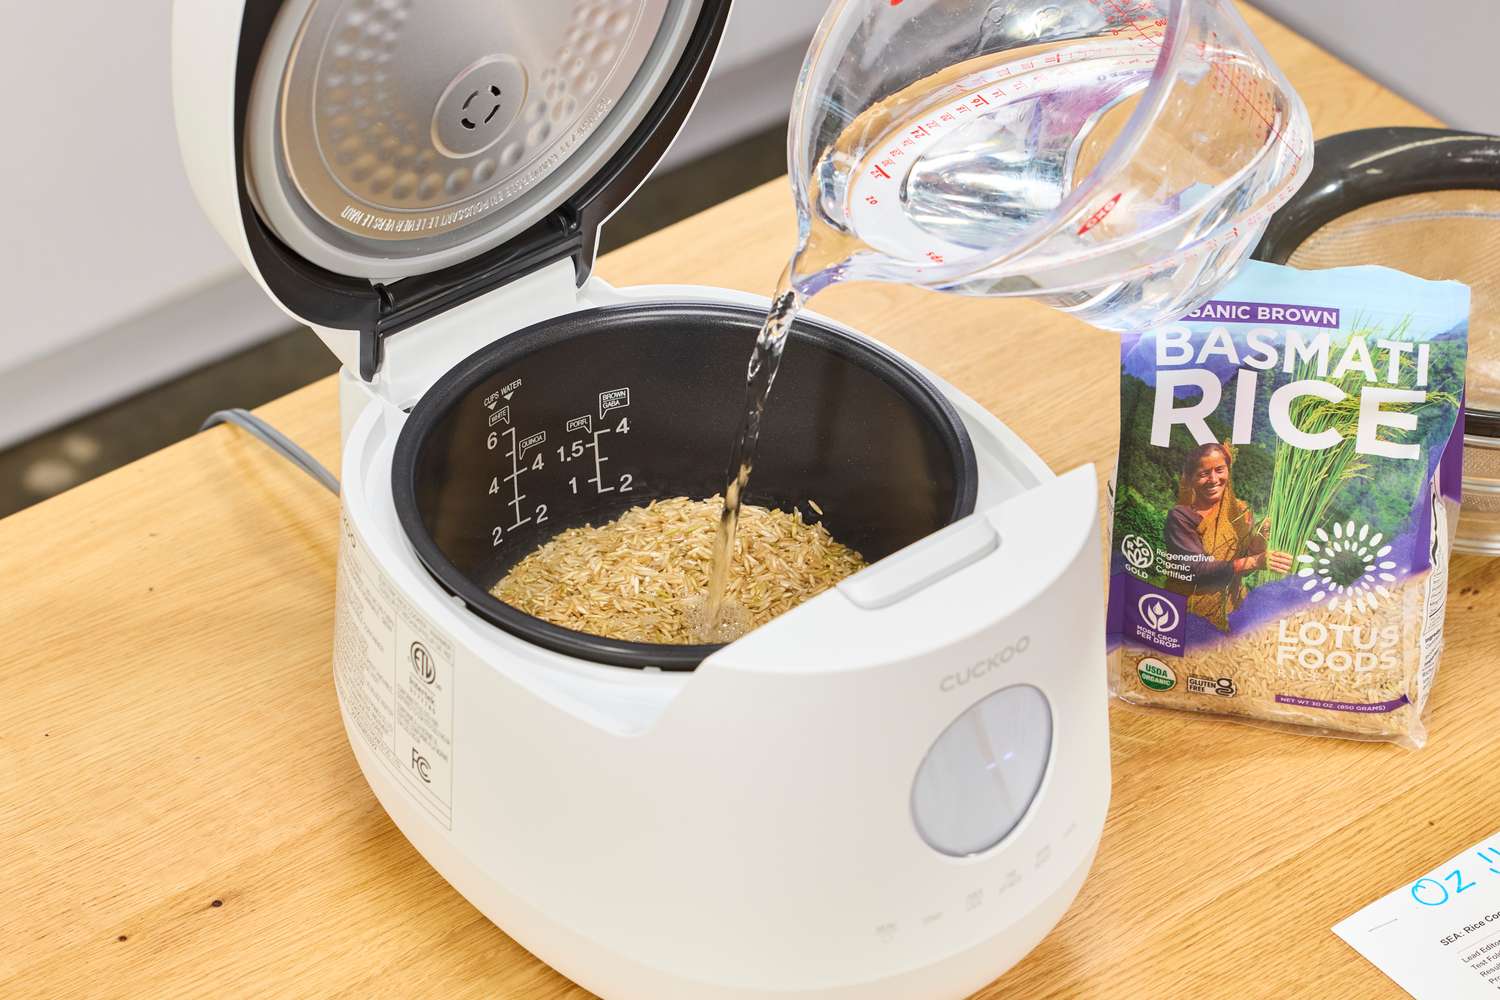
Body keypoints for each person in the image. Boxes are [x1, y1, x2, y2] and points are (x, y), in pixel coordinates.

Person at [1163, 442, 1292, 632]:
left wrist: (1261, 538)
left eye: (1219, 470)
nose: (1213, 479)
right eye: (1203, 473)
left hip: (1233, 609)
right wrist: (1255, 561)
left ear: (1228, 471)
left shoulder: (1240, 511)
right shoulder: (1181, 517)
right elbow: (1195, 569)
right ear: (1190, 479)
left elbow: (1243, 567)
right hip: (1189, 611)